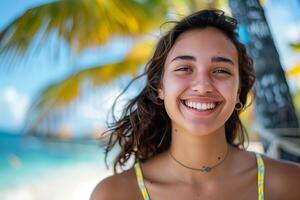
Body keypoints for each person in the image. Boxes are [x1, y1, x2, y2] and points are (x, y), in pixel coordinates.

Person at [90, 9, 300, 200]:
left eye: (221, 70)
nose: (202, 86)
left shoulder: (289, 184)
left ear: (238, 92)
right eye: (184, 68)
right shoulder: (117, 194)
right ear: (160, 87)